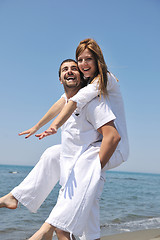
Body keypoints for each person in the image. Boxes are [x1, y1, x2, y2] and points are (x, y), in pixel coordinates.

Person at [0, 59, 121, 240]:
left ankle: (43, 232)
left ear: (82, 76)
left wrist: (94, 168)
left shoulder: (92, 102)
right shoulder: (67, 102)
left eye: (74, 68)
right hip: (74, 161)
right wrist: (37, 126)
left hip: (89, 162)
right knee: (52, 154)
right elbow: (60, 104)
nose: (70, 71)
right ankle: (17, 197)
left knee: (64, 230)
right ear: (60, 79)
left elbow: (113, 137)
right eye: (65, 69)